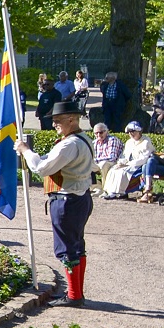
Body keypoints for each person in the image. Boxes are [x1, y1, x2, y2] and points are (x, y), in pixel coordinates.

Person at [21, 100, 97, 305]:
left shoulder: (68, 144)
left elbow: (41, 168)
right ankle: (76, 293)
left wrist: (26, 150)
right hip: (81, 198)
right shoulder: (83, 139)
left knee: (67, 248)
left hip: (66, 200)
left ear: (71, 119)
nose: (54, 124)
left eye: (58, 120)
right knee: (77, 245)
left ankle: (74, 296)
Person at [103, 121, 157, 198]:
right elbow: (124, 155)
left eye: (133, 131)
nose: (131, 134)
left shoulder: (146, 141)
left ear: (139, 131)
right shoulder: (129, 142)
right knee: (113, 169)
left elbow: (144, 159)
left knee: (122, 172)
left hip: (138, 166)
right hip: (128, 164)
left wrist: (127, 164)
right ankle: (109, 191)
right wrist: (121, 163)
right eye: (129, 132)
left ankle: (118, 192)